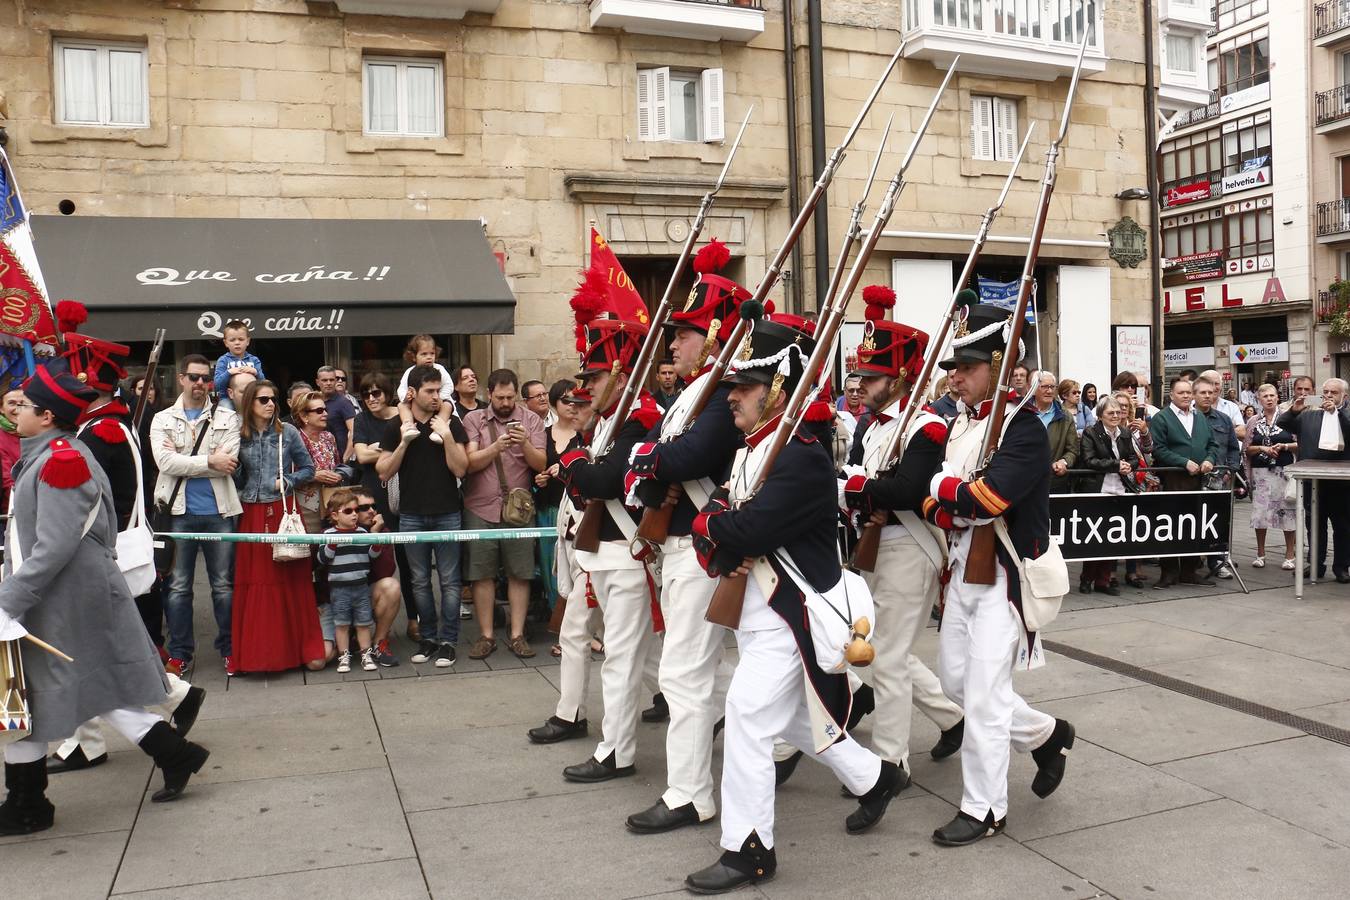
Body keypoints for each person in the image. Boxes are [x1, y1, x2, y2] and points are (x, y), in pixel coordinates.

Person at [682, 310, 904, 893]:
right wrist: (718, 523)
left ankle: (748, 850)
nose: (734, 398)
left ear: (778, 387)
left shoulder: (799, 455)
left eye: (746, 388)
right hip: (762, 613)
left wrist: (717, 523)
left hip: (792, 615)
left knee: (751, 722)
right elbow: (718, 518)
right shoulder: (754, 448)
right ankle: (876, 777)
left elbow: (746, 528)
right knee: (796, 718)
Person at [0, 363, 211, 836]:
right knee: (61, 693)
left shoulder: (62, 461)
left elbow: (54, 545)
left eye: (26, 406)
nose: (16, 411)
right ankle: (175, 754)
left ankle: (27, 804)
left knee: (27, 698)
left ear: (48, 416)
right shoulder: (47, 454)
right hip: (55, 597)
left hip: (62, 598)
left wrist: (8, 600)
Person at [920, 301, 1074, 848]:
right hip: (963, 570)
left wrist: (946, 497)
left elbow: (986, 499)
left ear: (999, 364)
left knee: (984, 697)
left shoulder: (1023, 428)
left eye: (966, 367)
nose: (955, 377)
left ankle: (984, 808)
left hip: (1006, 575)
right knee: (957, 682)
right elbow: (936, 502)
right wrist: (947, 499)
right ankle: (1046, 734)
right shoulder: (965, 424)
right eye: (953, 369)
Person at [621, 242, 747, 834]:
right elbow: (660, 460)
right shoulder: (695, 393)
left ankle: (689, 793)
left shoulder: (724, 393)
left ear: (716, 336)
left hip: (701, 552)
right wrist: (652, 460)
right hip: (679, 550)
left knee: (684, 675)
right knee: (705, 674)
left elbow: (689, 456)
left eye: (686, 333)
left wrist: (648, 457)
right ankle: (867, 773)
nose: (673, 343)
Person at [48, 329, 205, 774]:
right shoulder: (106, 427)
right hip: (107, 550)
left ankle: (161, 704)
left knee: (89, 649)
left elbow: (89, 505)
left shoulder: (99, 434)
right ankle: (160, 702)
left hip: (98, 553)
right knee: (90, 648)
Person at [837, 290, 965, 794]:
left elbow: (907, 491)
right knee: (886, 649)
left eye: (872, 377)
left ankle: (891, 764)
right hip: (875, 545)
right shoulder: (872, 426)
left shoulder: (926, 426)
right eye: (862, 376)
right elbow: (863, 485)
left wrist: (859, 488)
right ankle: (953, 718)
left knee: (884, 657)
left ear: (900, 378)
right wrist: (862, 490)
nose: (862, 385)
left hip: (910, 548)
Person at [553, 308, 664, 785]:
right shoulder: (607, 422)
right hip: (604, 553)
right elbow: (587, 487)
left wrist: (573, 460)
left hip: (627, 553)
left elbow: (605, 479)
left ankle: (615, 752)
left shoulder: (638, 418)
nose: (588, 386)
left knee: (624, 660)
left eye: (596, 375)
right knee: (655, 661)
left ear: (621, 373)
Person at [150, 354, 242, 676]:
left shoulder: (227, 417)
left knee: (224, 586)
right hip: (177, 513)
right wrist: (208, 463)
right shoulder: (162, 418)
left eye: (205, 378)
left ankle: (231, 649)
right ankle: (179, 654)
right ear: (181, 379)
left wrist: (188, 461)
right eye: (194, 377)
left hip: (220, 511)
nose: (200, 383)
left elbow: (228, 461)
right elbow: (165, 463)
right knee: (177, 588)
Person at [376, 364, 469, 666]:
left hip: (447, 512)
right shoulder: (396, 427)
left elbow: (461, 468)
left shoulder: (451, 423)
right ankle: (428, 638)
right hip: (411, 514)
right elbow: (384, 471)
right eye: (430, 391)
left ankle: (449, 641)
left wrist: (447, 436)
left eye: (439, 390)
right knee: (418, 581)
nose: (436, 397)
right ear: (412, 393)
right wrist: (404, 441)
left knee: (450, 581)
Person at [231, 379, 324, 673]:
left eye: (272, 399)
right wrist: (232, 471)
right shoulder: (238, 434)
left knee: (290, 579)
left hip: (283, 511)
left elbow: (309, 468)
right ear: (250, 404)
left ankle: (295, 651)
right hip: (250, 512)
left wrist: (287, 481)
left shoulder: (288, 432)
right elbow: (236, 479)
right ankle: (257, 655)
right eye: (263, 400)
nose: (270, 404)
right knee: (256, 581)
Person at [463, 369, 546, 659]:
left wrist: (523, 442)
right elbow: (468, 464)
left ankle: (517, 634)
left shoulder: (531, 420)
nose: (506, 402)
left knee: (520, 573)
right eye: (500, 397)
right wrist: (496, 447)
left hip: (518, 510)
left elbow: (540, 463)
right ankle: (486, 636)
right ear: (489, 394)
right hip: (479, 505)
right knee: (481, 575)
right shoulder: (474, 420)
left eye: (511, 397)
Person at [353, 371, 417, 645]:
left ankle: (415, 620)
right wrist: (392, 449)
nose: (370, 398)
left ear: (388, 393)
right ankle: (376, 626)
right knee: (371, 560)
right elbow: (361, 454)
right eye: (365, 394)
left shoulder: (402, 415)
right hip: (371, 498)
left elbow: (411, 446)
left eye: (376, 392)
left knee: (409, 563)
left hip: (403, 495)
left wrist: (379, 447)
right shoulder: (362, 418)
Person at [1276, 378, 1350, 582]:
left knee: (1342, 525)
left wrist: (1338, 411)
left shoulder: (1346, 413)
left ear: (1344, 396)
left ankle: (1342, 566)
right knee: (1314, 524)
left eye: (1333, 393)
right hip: (1312, 479)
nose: (1328, 396)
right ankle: (1316, 564)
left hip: (1340, 481)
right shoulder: (1309, 414)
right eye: (1325, 391)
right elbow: (1282, 424)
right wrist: (1294, 409)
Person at [1149, 378, 1219, 588]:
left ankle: (1189, 571)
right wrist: (1183, 462)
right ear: (1172, 395)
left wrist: (1209, 460)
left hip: (1198, 479)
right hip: (1173, 478)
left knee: (1193, 524)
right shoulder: (1162, 418)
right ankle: (1168, 572)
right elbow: (1158, 449)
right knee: (1170, 525)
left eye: (1189, 392)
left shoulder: (1200, 418)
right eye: (1181, 393)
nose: (1187, 396)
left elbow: (1213, 445)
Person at [534, 381, 584, 636]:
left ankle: (579, 628)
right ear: (554, 403)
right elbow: (533, 468)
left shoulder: (585, 433)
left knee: (577, 568)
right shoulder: (542, 433)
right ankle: (561, 628)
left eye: (576, 400)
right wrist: (540, 478)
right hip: (548, 507)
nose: (572, 405)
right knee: (550, 570)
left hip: (576, 511)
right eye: (565, 400)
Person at [1076, 395, 1141, 595]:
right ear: (1100, 415)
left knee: (1113, 538)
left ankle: (1103, 581)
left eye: (1118, 413)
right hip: (1098, 489)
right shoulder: (1091, 432)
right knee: (1095, 537)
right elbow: (1089, 460)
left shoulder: (1125, 432)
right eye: (1110, 413)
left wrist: (1130, 464)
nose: (1115, 416)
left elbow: (1133, 457)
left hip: (1120, 489)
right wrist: (1115, 464)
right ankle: (1087, 579)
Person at [318, 489, 383, 673]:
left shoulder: (362, 532)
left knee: (363, 623)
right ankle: (344, 656)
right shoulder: (328, 534)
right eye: (348, 511)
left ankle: (365, 654)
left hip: (361, 587)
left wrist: (376, 540)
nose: (354, 514)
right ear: (335, 516)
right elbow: (322, 558)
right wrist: (333, 542)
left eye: (355, 510)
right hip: (339, 589)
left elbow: (372, 555)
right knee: (342, 624)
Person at [1244, 383, 1299, 571]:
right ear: (1258, 399)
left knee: (1288, 511)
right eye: (1265, 395)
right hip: (1261, 473)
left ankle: (1289, 554)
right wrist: (1262, 448)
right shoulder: (1253, 421)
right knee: (1260, 514)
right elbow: (1247, 448)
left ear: (1278, 398)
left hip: (1284, 472)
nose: (1269, 398)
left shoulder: (1287, 419)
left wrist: (1283, 446)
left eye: (1272, 395)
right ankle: (1260, 553)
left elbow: (1299, 443)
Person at [1195, 374, 1240, 579]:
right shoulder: (1188, 417)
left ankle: (1218, 561)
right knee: (1193, 519)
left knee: (1218, 521)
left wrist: (1231, 469)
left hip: (1219, 478)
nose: (1207, 396)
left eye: (1211, 392)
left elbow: (1233, 447)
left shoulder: (1223, 419)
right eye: (1203, 392)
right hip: (1194, 477)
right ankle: (1192, 559)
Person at [354, 488, 403, 666]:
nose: (371, 511)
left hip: (366, 594)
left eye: (373, 506)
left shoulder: (382, 530)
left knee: (391, 586)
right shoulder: (334, 531)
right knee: (325, 656)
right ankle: (351, 636)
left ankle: (379, 642)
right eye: (364, 507)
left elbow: (386, 571)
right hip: (339, 599)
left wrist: (374, 535)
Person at [291, 390, 345, 533]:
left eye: (325, 409)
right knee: (312, 547)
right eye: (319, 411)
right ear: (304, 416)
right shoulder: (293, 439)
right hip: (306, 505)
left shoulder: (328, 437)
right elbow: (284, 475)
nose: (325, 414)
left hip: (331, 502)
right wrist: (313, 475)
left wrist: (339, 474)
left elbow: (337, 464)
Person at [396, 334, 455, 443]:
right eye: (424, 354)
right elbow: (401, 389)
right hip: (416, 402)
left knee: (447, 405)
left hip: (440, 401)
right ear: (414, 356)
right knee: (401, 405)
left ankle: (438, 430)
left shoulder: (440, 369)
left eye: (432, 353)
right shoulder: (410, 372)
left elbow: (449, 385)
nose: (429, 357)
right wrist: (406, 397)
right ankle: (409, 427)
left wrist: (440, 398)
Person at [1031, 370, 1078, 493]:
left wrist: (1064, 461)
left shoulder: (1066, 417)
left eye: (1052, 387)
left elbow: (1073, 450)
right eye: (1045, 387)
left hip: (1052, 483)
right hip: (1024, 481)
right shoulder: (1021, 413)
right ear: (1034, 388)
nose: (1050, 391)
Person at [211, 320, 264, 410]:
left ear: (248, 341)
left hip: (251, 398)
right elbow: (217, 385)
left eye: (241, 339)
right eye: (232, 340)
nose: (237, 342)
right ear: (226, 343)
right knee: (225, 409)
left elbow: (263, 383)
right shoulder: (223, 360)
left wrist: (255, 372)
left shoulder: (254, 360)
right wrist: (229, 372)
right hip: (227, 399)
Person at [316, 366, 356, 463]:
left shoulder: (344, 403)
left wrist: (345, 458)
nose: (329, 383)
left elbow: (354, 431)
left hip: (339, 460)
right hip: (318, 458)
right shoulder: (314, 401)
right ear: (317, 382)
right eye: (325, 380)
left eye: (332, 380)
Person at [1199, 369, 1246, 441]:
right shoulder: (1191, 406)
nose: (1214, 387)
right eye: (1210, 383)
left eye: (1217, 384)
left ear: (1221, 386)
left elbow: (1242, 432)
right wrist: (1229, 429)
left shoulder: (1232, 407)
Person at [0, 387, 25, 512]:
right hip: (13, 512)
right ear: (1, 409)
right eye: (12, 403)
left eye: (23, 403)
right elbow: (7, 482)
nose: (18, 408)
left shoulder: (38, 430)